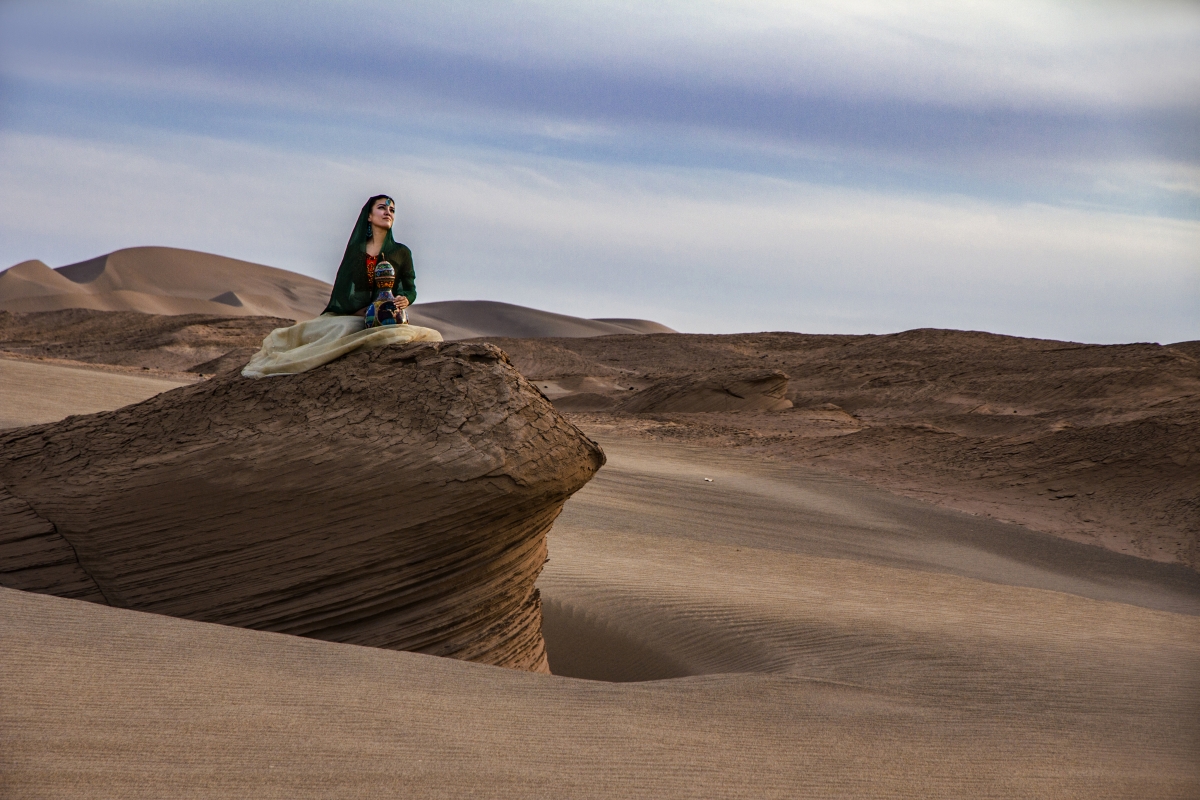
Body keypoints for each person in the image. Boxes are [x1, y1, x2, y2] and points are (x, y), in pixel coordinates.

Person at [242, 195, 442, 378]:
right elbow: (344, 289)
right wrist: (356, 310)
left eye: (392, 210)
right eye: (382, 208)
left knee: (410, 335)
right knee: (341, 329)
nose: (388, 213)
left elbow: (410, 287)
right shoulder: (356, 252)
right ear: (369, 217)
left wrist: (406, 298)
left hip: (390, 317)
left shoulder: (401, 252)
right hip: (356, 315)